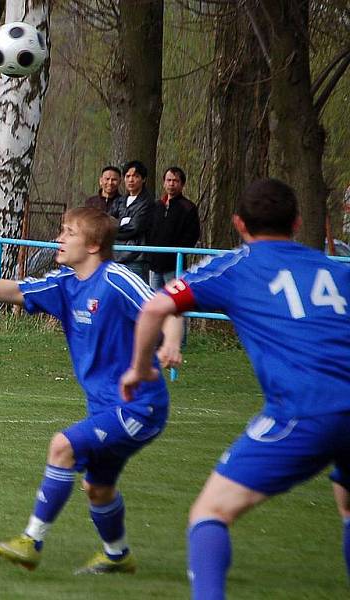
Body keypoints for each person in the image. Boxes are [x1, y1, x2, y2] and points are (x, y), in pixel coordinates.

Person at [120, 179, 350, 598]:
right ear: (297, 222)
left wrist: (139, 370)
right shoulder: (337, 269)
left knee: (210, 512)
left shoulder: (238, 266)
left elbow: (156, 305)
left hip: (305, 408)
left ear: (238, 223)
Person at [0, 207, 183, 573]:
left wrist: (172, 344)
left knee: (62, 446)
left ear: (95, 244)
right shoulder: (65, 284)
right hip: (104, 408)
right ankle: (117, 555)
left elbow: (172, 305)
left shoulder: (116, 280)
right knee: (98, 489)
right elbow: (14, 291)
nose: (59, 238)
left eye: (69, 232)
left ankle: (32, 541)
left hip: (140, 406)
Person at [147, 167, 200, 290]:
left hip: (175, 264)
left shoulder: (188, 208)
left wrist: (178, 252)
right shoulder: (156, 205)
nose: (171, 184)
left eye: (175, 181)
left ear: (182, 184)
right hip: (154, 265)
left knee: (174, 299)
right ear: (164, 182)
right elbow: (149, 230)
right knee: (154, 299)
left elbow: (192, 235)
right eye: (168, 180)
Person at [109, 160, 154, 281]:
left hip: (136, 258)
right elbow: (107, 222)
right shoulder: (119, 201)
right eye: (128, 176)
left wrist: (113, 231)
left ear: (143, 179)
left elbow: (134, 228)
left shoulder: (147, 202)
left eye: (135, 176)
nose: (131, 180)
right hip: (116, 256)